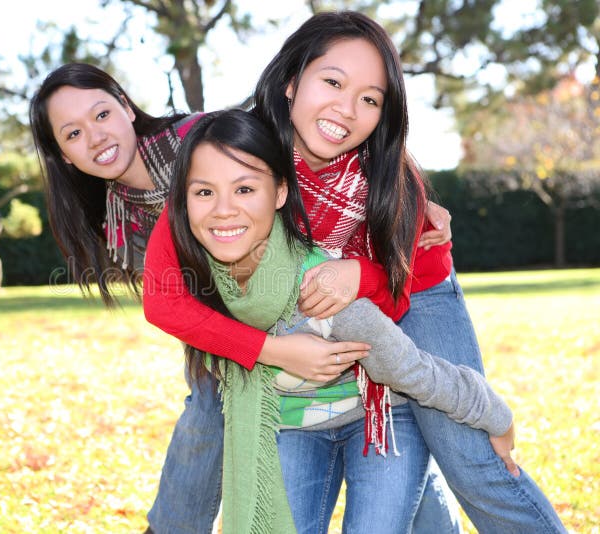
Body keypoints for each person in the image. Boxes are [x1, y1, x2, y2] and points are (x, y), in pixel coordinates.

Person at [143, 11, 566, 534]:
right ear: (292, 82)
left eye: (370, 98)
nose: (347, 109)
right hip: (325, 331)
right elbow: (164, 298)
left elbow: (391, 294)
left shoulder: (388, 176)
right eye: (333, 82)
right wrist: (272, 350)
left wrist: (357, 275)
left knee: (467, 455)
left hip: (413, 284)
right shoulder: (236, 156)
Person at [28, 63, 368, 533]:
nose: (95, 137)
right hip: (239, 329)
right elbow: (179, 308)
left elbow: (325, 160)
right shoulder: (117, 222)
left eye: (102, 114)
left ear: (126, 107)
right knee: (209, 400)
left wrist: (409, 200)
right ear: (64, 155)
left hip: (317, 291)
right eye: (73, 133)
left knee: (406, 405)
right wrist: (265, 352)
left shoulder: (200, 138)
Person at [162, 108, 518, 533]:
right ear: (181, 201)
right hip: (294, 425)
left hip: (377, 416)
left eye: (244, 189)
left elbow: (410, 368)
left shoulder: (317, 288)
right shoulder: (201, 280)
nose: (223, 210)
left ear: (279, 194)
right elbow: (162, 307)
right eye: (203, 192)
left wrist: (495, 414)